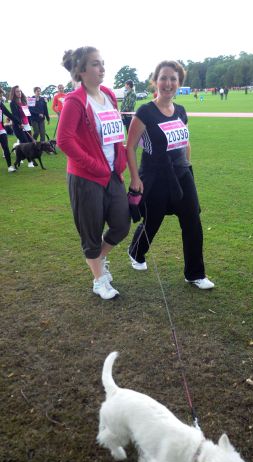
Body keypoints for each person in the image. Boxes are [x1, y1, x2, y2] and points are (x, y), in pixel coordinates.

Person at [126, 60, 214, 290]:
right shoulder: (145, 112)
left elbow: (186, 141)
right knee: (152, 221)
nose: (168, 83)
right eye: (163, 78)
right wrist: (135, 179)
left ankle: (195, 273)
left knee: (192, 219)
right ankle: (136, 252)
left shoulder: (181, 111)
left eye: (173, 79)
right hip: (154, 176)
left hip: (181, 173)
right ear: (155, 81)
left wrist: (188, 163)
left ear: (179, 83)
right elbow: (130, 147)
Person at [57, 46, 130, 300]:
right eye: (96, 64)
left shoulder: (109, 95)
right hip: (86, 178)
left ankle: (98, 259)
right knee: (91, 231)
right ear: (81, 70)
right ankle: (99, 280)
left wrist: (118, 162)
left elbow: (116, 134)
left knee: (121, 224)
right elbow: (64, 141)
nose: (102, 69)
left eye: (102, 63)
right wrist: (94, 165)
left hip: (111, 174)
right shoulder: (75, 101)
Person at [9, 86, 35, 168]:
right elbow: (15, 115)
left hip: (26, 124)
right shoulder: (13, 103)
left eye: (20, 91)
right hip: (18, 126)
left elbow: (27, 113)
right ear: (14, 93)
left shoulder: (24, 101)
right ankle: (30, 162)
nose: (19, 93)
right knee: (26, 143)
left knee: (28, 142)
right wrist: (19, 123)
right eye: (17, 91)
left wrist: (29, 123)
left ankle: (18, 152)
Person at [0, 89, 18, 172]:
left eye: (1, 95)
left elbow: (8, 114)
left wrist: (18, 122)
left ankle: (10, 166)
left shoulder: (1, 104)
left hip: (1, 129)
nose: (1, 97)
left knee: (6, 148)